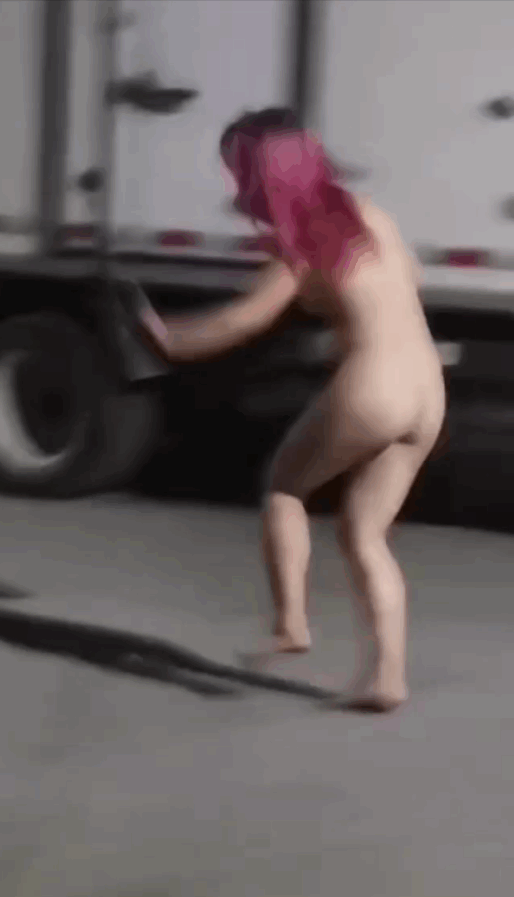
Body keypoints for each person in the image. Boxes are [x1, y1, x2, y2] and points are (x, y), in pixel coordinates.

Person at [135, 107, 446, 712]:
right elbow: (406, 279)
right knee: (365, 533)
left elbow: (243, 320)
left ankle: (290, 625)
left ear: (260, 174)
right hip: (428, 387)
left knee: (284, 488)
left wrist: (168, 339)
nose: (234, 183)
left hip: (375, 383)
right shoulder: (370, 215)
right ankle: (387, 678)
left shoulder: (298, 239)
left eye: (236, 169)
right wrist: (345, 322)